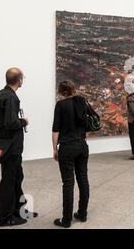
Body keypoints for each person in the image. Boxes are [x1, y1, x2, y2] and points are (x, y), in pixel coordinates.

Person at [0, 68, 37, 227]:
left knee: (17, 178)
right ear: (20, 80)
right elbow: (11, 123)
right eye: (23, 78)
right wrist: (24, 121)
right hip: (11, 147)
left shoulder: (0, 94)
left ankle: (20, 210)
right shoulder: (11, 98)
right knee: (9, 182)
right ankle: (5, 218)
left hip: (5, 145)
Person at [52, 80, 92, 228]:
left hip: (67, 148)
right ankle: (82, 214)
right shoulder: (82, 101)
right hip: (82, 145)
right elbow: (91, 119)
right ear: (73, 89)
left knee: (68, 183)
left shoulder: (60, 105)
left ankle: (66, 220)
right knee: (83, 179)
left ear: (61, 91)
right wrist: (84, 133)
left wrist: (55, 148)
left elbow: (55, 129)